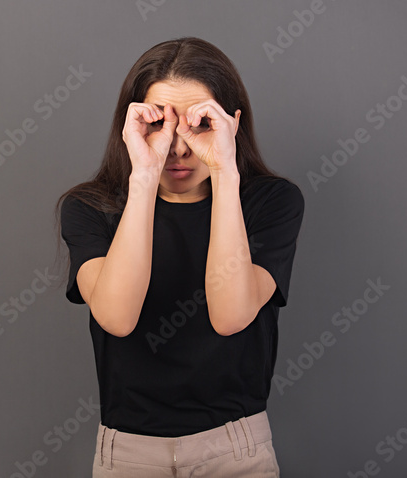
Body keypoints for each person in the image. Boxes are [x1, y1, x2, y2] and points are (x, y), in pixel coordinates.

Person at [54, 36, 305, 477]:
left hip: (235, 449)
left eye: (200, 123)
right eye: (158, 124)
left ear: (232, 124)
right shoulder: (90, 207)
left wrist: (226, 173)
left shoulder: (271, 203)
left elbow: (230, 315)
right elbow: (117, 316)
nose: (179, 146)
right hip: (127, 452)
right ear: (130, 127)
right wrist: (145, 177)